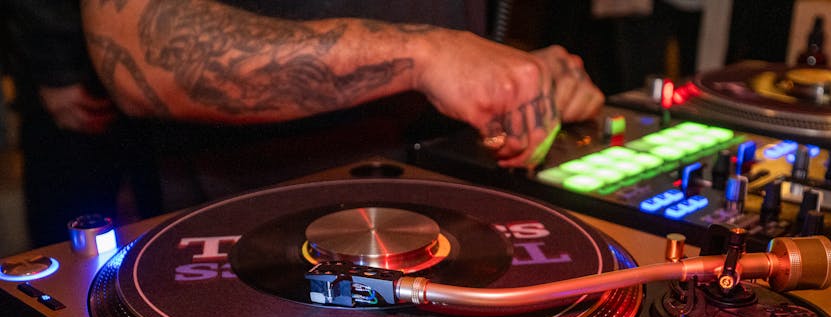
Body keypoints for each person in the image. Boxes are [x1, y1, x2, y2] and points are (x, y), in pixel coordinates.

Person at [79, 0, 605, 169]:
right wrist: (424, 55)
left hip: (440, 188)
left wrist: (516, 71)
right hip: (248, 225)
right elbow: (137, 51)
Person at [2, 0, 163, 247]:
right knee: (71, 237)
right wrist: (56, 71)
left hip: (151, 76)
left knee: (159, 235)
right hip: (77, 75)